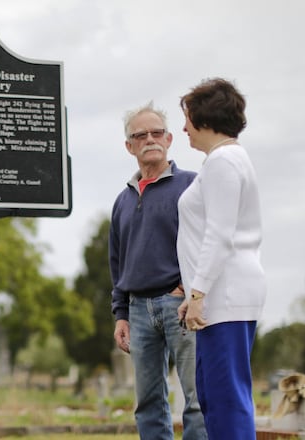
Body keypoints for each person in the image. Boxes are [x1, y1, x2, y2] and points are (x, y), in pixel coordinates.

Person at [109, 102, 207, 440]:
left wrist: (190, 286)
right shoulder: (122, 200)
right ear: (130, 146)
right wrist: (121, 314)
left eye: (156, 133)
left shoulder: (193, 186)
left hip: (179, 305)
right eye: (140, 135)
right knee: (148, 402)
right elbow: (117, 262)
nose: (149, 139)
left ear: (168, 139)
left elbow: (210, 240)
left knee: (196, 400)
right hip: (137, 309)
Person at [177, 77, 266, 439]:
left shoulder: (223, 162)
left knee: (226, 398)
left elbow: (219, 234)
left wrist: (198, 295)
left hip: (225, 296)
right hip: (218, 295)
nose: (183, 127)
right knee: (214, 397)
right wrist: (193, 295)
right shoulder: (224, 160)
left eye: (187, 118)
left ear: (205, 118)